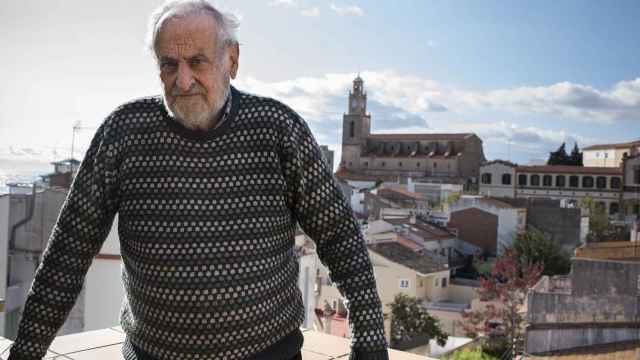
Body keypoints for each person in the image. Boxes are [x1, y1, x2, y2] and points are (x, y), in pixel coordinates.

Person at [8, 1, 389, 359]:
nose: (182, 80)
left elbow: (339, 236)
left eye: (196, 61)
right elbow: (67, 252)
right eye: (169, 64)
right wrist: (26, 352)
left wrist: (370, 339)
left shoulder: (278, 129)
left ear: (233, 60)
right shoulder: (123, 132)